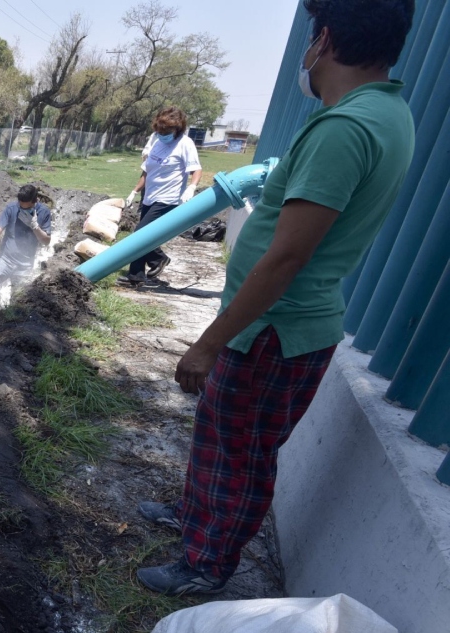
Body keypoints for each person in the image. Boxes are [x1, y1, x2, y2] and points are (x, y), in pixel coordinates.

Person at [135, 0, 416, 596]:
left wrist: (207, 345)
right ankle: (193, 517)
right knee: (222, 433)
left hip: (273, 331)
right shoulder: (385, 113)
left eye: (310, 39)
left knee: (241, 451)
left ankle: (204, 565)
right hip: (277, 328)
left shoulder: (346, 129)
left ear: (325, 40)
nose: (304, 56)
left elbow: (287, 258)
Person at [119, 107, 202, 285]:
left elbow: (196, 170)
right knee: (145, 235)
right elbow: (147, 172)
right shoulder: (156, 141)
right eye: (160, 131)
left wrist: (192, 187)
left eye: (167, 132)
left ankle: (158, 259)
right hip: (150, 197)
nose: (163, 134)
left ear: (178, 129)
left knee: (140, 235)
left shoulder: (185, 144)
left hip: (168, 199)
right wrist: (135, 191)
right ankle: (136, 277)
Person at [0, 184, 54, 302]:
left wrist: (35, 226)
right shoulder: (12, 208)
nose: (22, 209)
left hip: (25, 265)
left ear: (35, 201)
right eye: (21, 206)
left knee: (18, 299)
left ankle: (5, 319)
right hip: (5, 260)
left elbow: (46, 241)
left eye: (26, 208)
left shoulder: (44, 212)